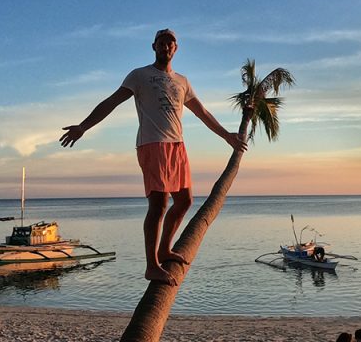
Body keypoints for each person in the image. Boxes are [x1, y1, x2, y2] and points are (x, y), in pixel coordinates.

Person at [59, 28, 247, 284]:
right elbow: (111, 102)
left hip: (177, 146)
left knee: (184, 201)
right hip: (152, 144)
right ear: (154, 46)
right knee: (158, 205)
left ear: (176, 49)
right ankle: (152, 265)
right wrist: (83, 126)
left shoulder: (182, 81)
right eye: (161, 42)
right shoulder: (140, 76)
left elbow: (202, 112)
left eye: (171, 42)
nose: (166, 46)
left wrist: (226, 135)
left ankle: (164, 249)